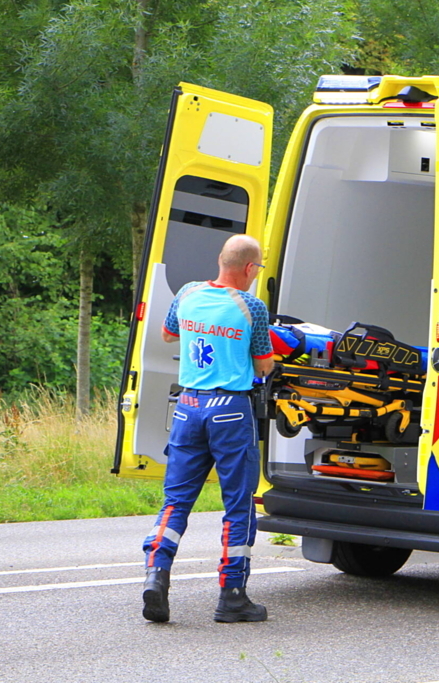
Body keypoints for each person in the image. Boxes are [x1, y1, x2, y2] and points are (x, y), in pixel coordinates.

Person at [141, 234, 275, 623]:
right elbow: (264, 364)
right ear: (249, 268)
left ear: (220, 260)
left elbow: (169, 334)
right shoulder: (252, 307)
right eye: (258, 268)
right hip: (230, 411)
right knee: (238, 505)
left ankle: (156, 574)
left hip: (188, 407)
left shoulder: (187, 293)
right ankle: (232, 596)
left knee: (175, 501)